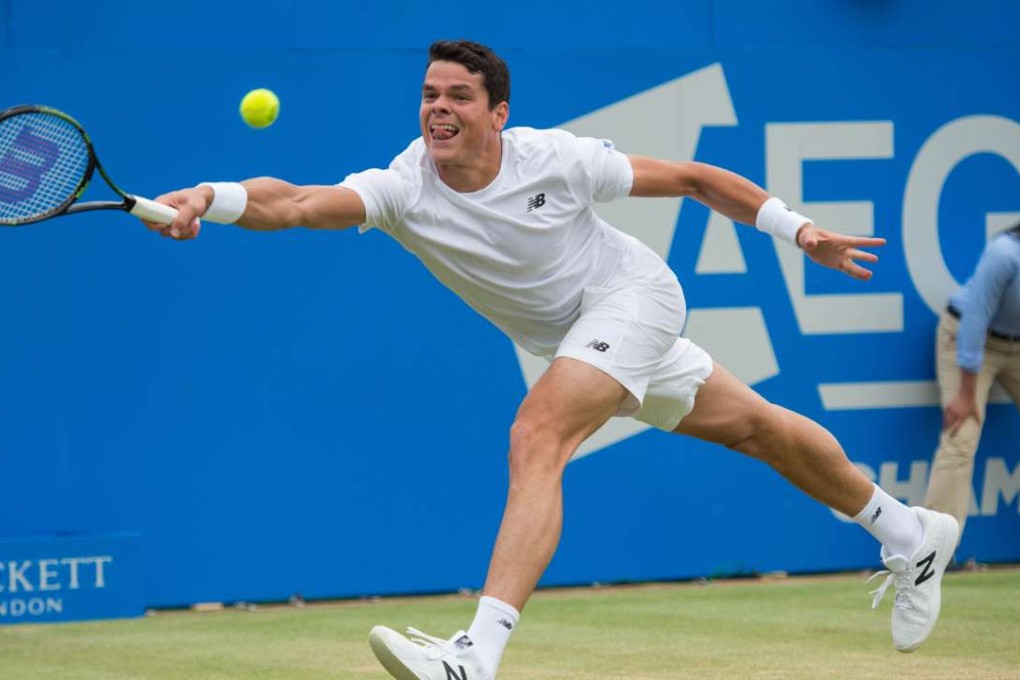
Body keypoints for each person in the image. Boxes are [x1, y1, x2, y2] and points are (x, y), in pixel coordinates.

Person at [143, 40, 960, 679]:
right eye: (429, 95)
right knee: (756, 428)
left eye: (458, 96)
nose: (438, 109)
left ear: (498, 112)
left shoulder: (554, 159)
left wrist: (798, 229)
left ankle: (476, 655)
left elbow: (692, 177)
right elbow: (295, 204)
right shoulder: (403, 185)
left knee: (538, 436)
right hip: (576, 337)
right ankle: (909, 531)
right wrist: (209, 200)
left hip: (632, 299)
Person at [924, 221, 1020, 546]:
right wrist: (966, 394)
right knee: (961, 437)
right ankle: (934, 550)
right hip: (966, 339)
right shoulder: (1005, 253)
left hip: (1017, 345)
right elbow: (974, 322)